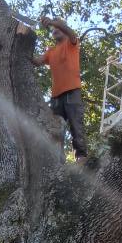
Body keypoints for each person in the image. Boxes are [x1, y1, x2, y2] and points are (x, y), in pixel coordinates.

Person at [31, 14, 88, 163]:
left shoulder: (72, 43)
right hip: (56, 96)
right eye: (53, 29)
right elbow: (37, 61)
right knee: (55, 128)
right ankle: (57, 161)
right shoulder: (51, 51)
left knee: (76, 124)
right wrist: (24, 44)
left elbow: (70, 32)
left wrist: (53, 22)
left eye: (58, 27)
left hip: (72, 91)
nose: (54, 30)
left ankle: (81, 157)